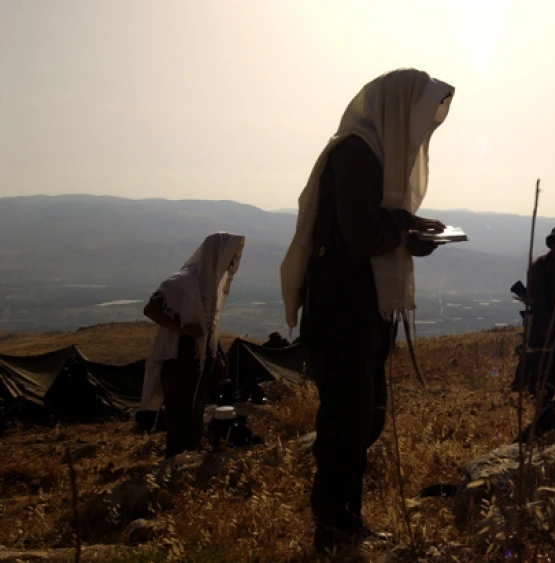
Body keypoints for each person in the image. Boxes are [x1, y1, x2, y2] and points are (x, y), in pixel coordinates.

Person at [278, 68, 455, 554]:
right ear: (398, 109)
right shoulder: (356, 152)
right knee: (347, 420)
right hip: (342, 310)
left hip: (364, 308)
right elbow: (360, 232)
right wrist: (404, 227)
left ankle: (345, 520)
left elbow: (371, 232)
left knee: (365, 417)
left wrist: (408, 236)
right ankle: (332, 526)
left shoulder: (375, 155)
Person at [141, 232, 245, 458]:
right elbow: (151, 309)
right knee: (180, 413)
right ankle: (176, 462)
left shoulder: (211, 287)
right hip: (178, 357)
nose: (233, 262)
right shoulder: (182, 282)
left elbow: (209, 327)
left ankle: (190, 457)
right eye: (230, 256)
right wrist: (183, 329)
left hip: (198, 358)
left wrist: (215, 354)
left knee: (195, 411)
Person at [511, 226, 555, 402]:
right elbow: (538, 297)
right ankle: (531, 392)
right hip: (543, 321)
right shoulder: (540, 266)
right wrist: (545, 322)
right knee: (537, 357)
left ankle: (548, 392)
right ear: (554, 245)